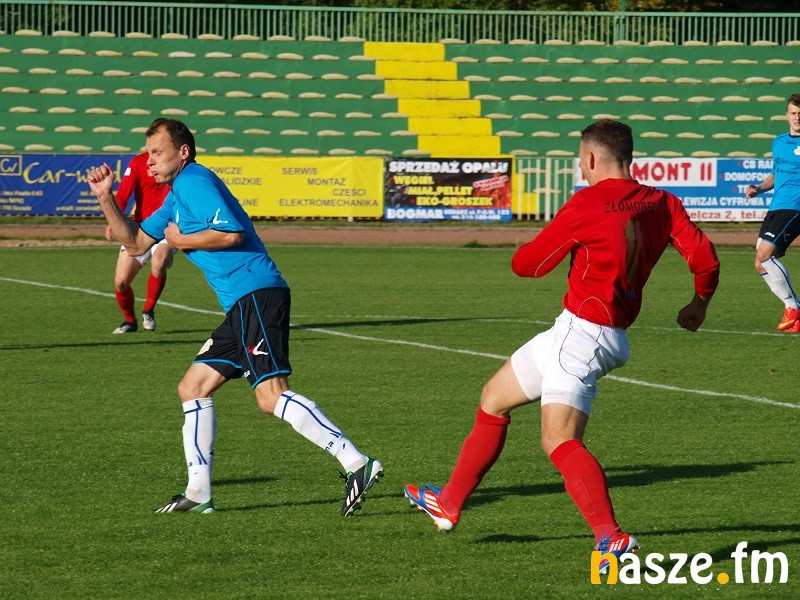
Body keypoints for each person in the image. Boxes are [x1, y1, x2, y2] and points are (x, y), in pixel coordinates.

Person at [403, 120, 720, 574]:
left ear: (591, 158)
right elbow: (705, 260)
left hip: (584, 336)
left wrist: (529, 250)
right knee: (493, 398)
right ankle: (449, 502)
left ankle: (611, 537)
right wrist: (698, 304)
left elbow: (529, 265)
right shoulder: (663, 202)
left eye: (580, 159)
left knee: (559, 440)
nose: (580, 166)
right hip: (581, 331)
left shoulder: (588, 202)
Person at [87, 118, 383, 515]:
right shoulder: (175, 197)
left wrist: (180, 240)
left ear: (183, 152)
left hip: (256, 293)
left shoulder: (193, 180)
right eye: (148, 154)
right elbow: (136, 242)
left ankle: (356, 462)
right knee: (193, 387)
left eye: (157, 152)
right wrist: (106, 197)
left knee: (270, 395)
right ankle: (198, 494)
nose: (150, 161)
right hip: (241, 304)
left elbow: (230, 234)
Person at [745, 93, 800, 333]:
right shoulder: (779, 142)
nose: (797, 117)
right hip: (776, 206)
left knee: (765, 253)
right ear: (787, 115)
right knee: (760, 264)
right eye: (794, 113)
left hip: (796, 206)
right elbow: (775, 174)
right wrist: (758, 189)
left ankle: (793, 308)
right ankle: (795, 307)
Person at [108, 150, 174, 334]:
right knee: (121, 282)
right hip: (141, 228)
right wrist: (113, 221)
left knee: (159, 260)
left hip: (168, 227)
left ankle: (148, 310)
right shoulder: (138, 162)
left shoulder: (174, 161)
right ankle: (130, 321)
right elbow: (123, 194)